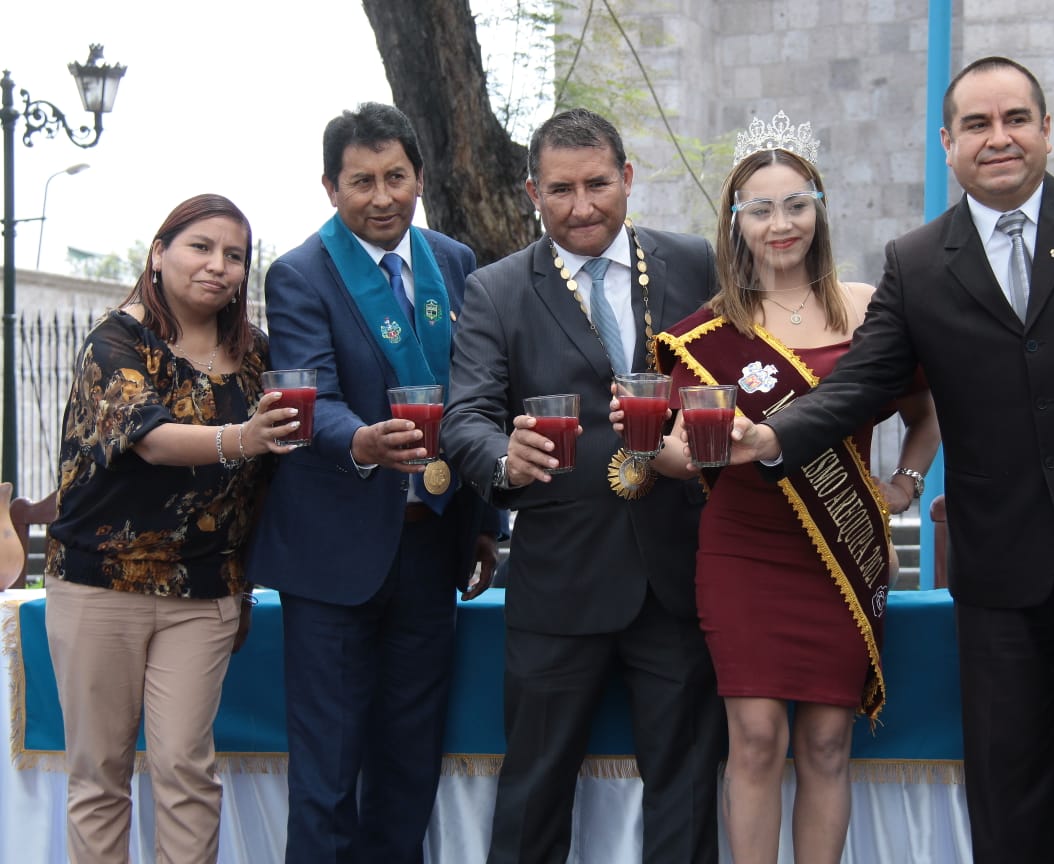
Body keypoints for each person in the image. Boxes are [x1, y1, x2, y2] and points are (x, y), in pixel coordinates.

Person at [731, 57, 1054, 862]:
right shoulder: (918, 260)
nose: (999, 139)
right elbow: (859, 384)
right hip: (997, 569)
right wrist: (771, 437)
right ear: (947, 144)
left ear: (1045, 130)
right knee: (1006, 789)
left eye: (1015, 120)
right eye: (977, 125)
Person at [634, 113, 940, 863]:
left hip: (841, 554)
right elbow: (671, 455)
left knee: (830, 740)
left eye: (796, 204)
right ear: (736, 221)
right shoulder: (706, 331)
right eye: (762, 208)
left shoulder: (871, 309)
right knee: (758, 736)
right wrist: (676, 452)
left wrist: (902, 484)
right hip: (744, 550)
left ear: (820, 209)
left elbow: (928, 414)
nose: (781, 224)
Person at [441, 107, 726, 864]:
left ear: (627, 178)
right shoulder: (495, 290)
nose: (581, 206)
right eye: (560, 190)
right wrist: (506, 455)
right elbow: (463, 415)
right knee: (533, 793)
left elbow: (736, 378)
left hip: (676, 574)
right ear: (532, 191)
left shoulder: (694, 262)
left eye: (598, 184)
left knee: (690, 788)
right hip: (559, 581)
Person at [245, 102, 499, 864]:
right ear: (330, 187)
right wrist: (356, 439)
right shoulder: (299, 273)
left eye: (396, 176)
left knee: (409, 761)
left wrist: (484, 519)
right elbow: (308, 395)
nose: (382, 196)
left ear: (420, 176)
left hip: (432, 546)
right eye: (362, 181)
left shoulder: (456, 261)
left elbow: (483, 395)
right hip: (335, 557)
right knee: (327, 770)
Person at [44, 193, 298, 864]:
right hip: (101, 586)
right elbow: (149, 438)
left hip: (205, 593)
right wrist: (243, 437)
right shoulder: (116, 341)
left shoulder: (256, 356)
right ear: (158, 254)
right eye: (201, 247)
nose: (218, 266)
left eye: (235, 255)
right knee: (100, 775)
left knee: (187, 770)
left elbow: (272, 477)